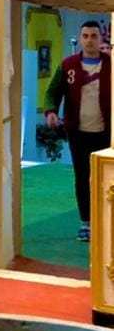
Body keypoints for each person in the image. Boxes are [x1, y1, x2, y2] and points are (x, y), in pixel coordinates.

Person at [44, 19, 110, 241]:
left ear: (100, 39)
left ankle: (107, 221)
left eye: (94, 36)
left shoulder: (111, 65)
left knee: (108, 178)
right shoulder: (68, 65)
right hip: (78, 133)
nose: (89, 40)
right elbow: (52, 92)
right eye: (85, 36)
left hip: (107, 134)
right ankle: (86, 223)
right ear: (80, 39)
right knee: (82, 177)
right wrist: (51, 112)